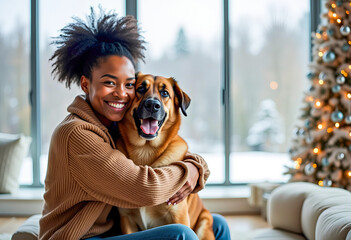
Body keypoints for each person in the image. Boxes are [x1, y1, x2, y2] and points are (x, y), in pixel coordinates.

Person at [39, 7, 231, 240]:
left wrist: (197, 165)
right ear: (86, 84)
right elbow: (144, 188)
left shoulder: (110, 125)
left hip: (107, 231)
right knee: (182, 234)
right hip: (80, 237)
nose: (121, 94)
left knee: (217, 224)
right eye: (109, 82)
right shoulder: (77, 134)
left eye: (129, 85)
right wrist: (191, 169)